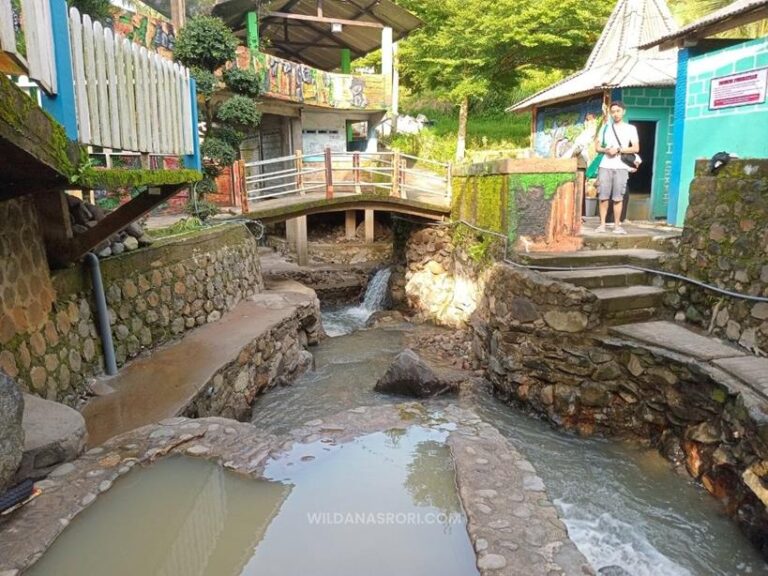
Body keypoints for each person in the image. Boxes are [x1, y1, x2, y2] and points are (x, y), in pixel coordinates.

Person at [593, 101, 639, 234]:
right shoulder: (605, 128)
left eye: (618, 111)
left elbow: (636, 148)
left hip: (621, 166)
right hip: (605, 165)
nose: (615, 114)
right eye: (613, 112)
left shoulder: (631, 129)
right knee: (603, 196)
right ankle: (602, 225)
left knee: (618, 197)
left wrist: (618, 150)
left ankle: (617, 226)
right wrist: (606, 150)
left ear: (624, 111)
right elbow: (597, 147)